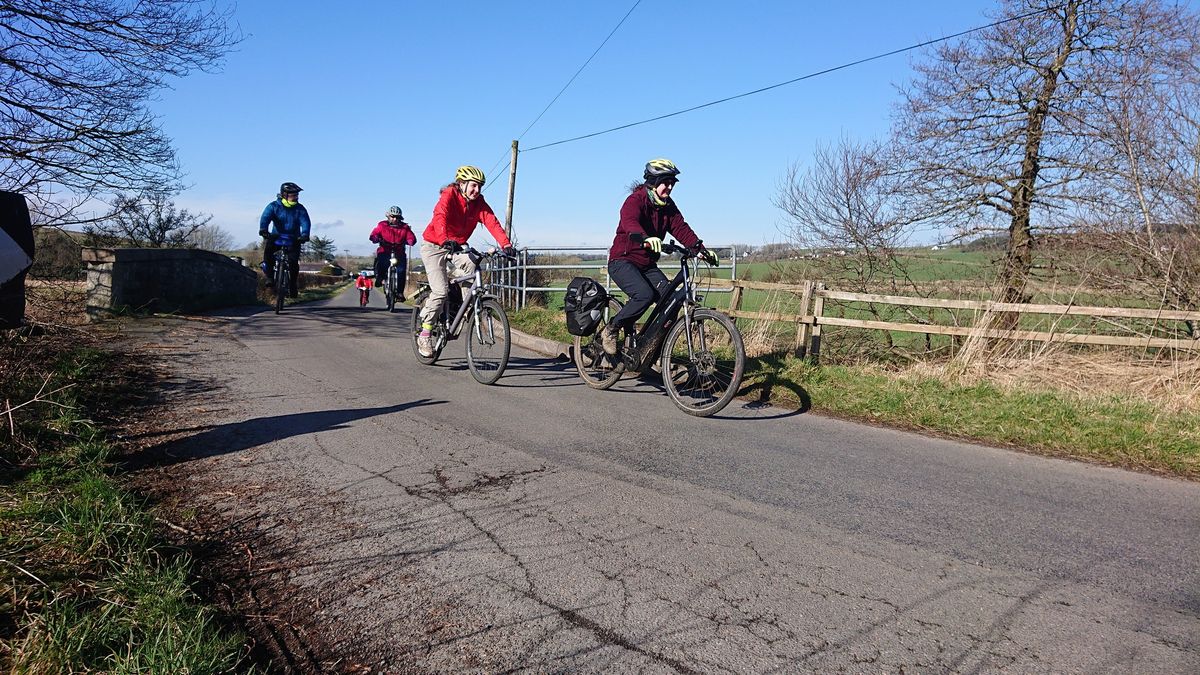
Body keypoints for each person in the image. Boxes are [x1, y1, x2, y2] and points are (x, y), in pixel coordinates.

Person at [602, 158, 718, 355]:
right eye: (666, 182)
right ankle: (611, 329)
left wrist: (700, 249)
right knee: (644, 295)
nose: (670, 187)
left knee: (670, 302)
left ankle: (651, 352)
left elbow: (681, 228)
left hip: (647, 264)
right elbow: (630, 222)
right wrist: (645, 238)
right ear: (653, 182)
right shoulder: (635, 201)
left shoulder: (667, 206)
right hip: (623, 261)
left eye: (672, 183)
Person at [416, 165, 517, 357]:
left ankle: (467, 305)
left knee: (472, 264)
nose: (477, 190)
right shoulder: (449, 195)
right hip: (435, 244)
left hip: (458, 245)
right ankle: (425, 332)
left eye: (480, 187)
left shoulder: (479, 202)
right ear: (461, 184)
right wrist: (445, 238)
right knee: (440, 290)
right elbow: (440, 216)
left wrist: (506, 244)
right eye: (473, 186)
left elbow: (491, 221)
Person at [259, 181, 312, 298]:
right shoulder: (274, 206)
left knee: (293, 262)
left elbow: (305, 222)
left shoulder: (300, 209)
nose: (296, 197)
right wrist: (263, 229)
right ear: (284, 195)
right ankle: (269, 277)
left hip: (294, 238)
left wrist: (305, 234)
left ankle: (293, 285)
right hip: (276, 236)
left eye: (297, 195)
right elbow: (265, 217)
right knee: (268, 254)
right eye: (293, 195)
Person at [368, 206, 416, 298]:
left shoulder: (405, 227)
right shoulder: (382, 225)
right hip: (385, 250)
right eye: (393, 216)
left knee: (401, 271)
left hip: (399, 252)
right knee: (382, 262)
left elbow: (411, 237)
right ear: (388, 217)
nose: (395, 219)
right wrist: (375, 238)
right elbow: (374, 234)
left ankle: (400, 293)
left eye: (397, 217)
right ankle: (380, 278)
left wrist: (410, 241)